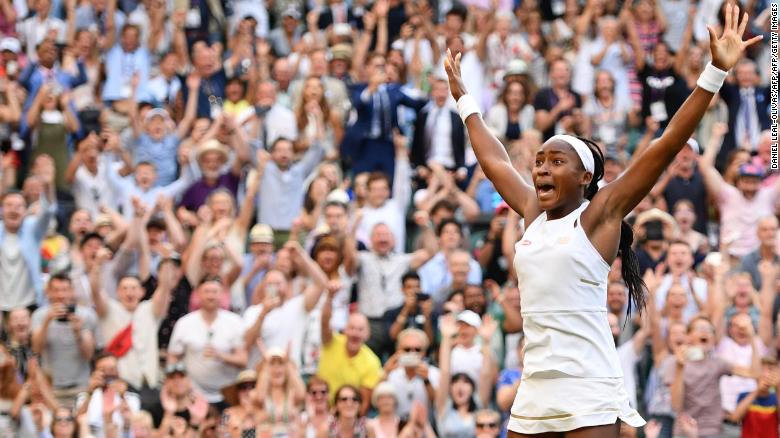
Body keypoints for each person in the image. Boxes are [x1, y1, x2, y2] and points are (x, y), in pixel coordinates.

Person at [442, 4, 761, 435]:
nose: (540, 170)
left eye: (556, 161)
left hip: (588, 389)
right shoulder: (533, 214)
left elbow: (666, 144)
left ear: (585, 176)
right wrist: (463, 99)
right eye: (538, 162)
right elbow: (495, 160)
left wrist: (714, 73)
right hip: (534, 388)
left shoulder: (600, 216)